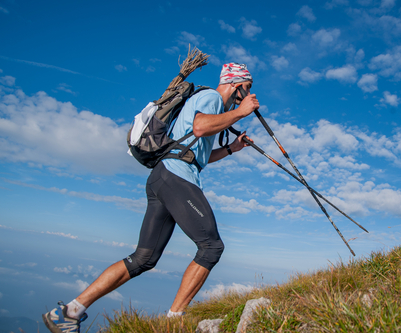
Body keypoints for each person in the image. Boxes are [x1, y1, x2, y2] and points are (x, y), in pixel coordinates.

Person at [42, 63, 259, 333]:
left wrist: (230, 149)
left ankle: (68, 312)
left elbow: (197, 154)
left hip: (163, 177)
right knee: (211, 247)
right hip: (176, 178)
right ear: (237, 84)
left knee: (143, 258)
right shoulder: (212, 98)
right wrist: (241, 111)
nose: (249, 93)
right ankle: (174, 321)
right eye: (248, 88)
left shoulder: (210, 105)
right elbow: (201, 128)